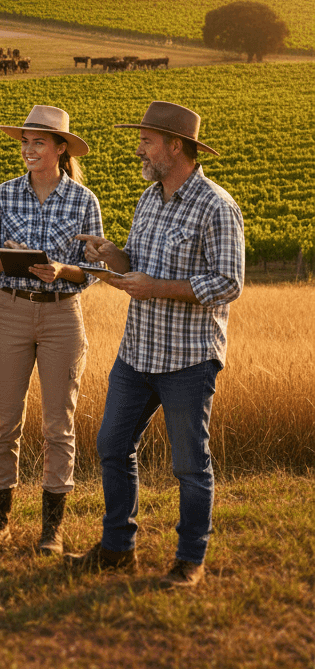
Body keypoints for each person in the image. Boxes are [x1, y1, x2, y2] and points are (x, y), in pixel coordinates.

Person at [67, 101, 244, 588]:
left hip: (188, 359)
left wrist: (158, 287)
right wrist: (113, 255)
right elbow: (137, 265)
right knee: (112, 444)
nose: (139, 148)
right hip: (138, 352)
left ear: (176, 146)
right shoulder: (149, 199)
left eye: (146, 140)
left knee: (189, 464)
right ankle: (117, 548)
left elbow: (229, 282)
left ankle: (189, 560)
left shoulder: (216, 206)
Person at [0, 105, 103, 557]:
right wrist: (7, 258)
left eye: (39, 143)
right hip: (11, 311)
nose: (28, 150)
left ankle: (52, 531)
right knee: (3, 421)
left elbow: (92, 270)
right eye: (25, 142)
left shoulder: (84, 201)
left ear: (60, 148)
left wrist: (62, 270)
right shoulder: (4, 194)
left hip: (62, 315)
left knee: (58, 425)